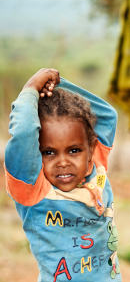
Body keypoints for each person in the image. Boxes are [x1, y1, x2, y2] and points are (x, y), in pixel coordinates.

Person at [5, 68, 121, 281]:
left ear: (91, 149)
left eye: (74, 150)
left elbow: (107, 116)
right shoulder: (34, 190)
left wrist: (55, 84)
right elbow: (23, 134)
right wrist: (31, 89)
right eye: (48, 152)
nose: (63, 162)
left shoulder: (95, 165)